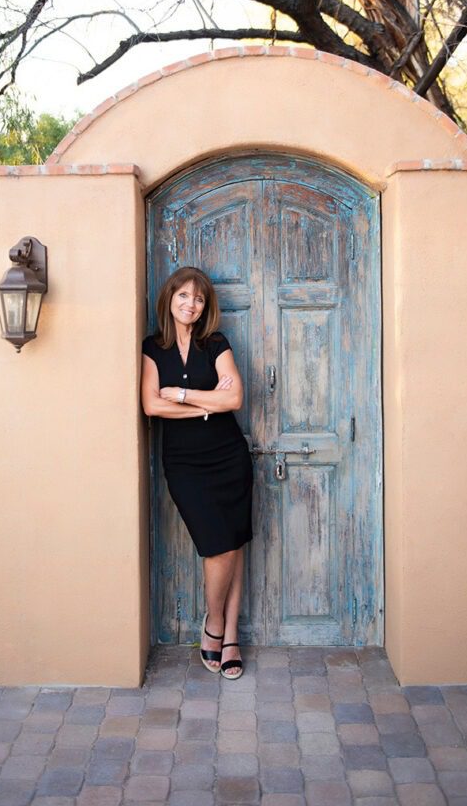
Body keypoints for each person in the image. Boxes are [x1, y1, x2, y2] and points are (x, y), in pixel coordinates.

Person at [141, 266, 254, 680]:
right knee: (217, 545)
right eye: (184, 295)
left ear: (207, 306)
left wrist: (185, 395)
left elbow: (236, 396)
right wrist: (209, 404)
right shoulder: (152, 348)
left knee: (233, 543)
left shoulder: (215, 343)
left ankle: (227, 634)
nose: (191, 304)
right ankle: (215, 622)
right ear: (169, 298)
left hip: (229, 456)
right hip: (185, 464)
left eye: (199, 298)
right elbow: (152, 406)